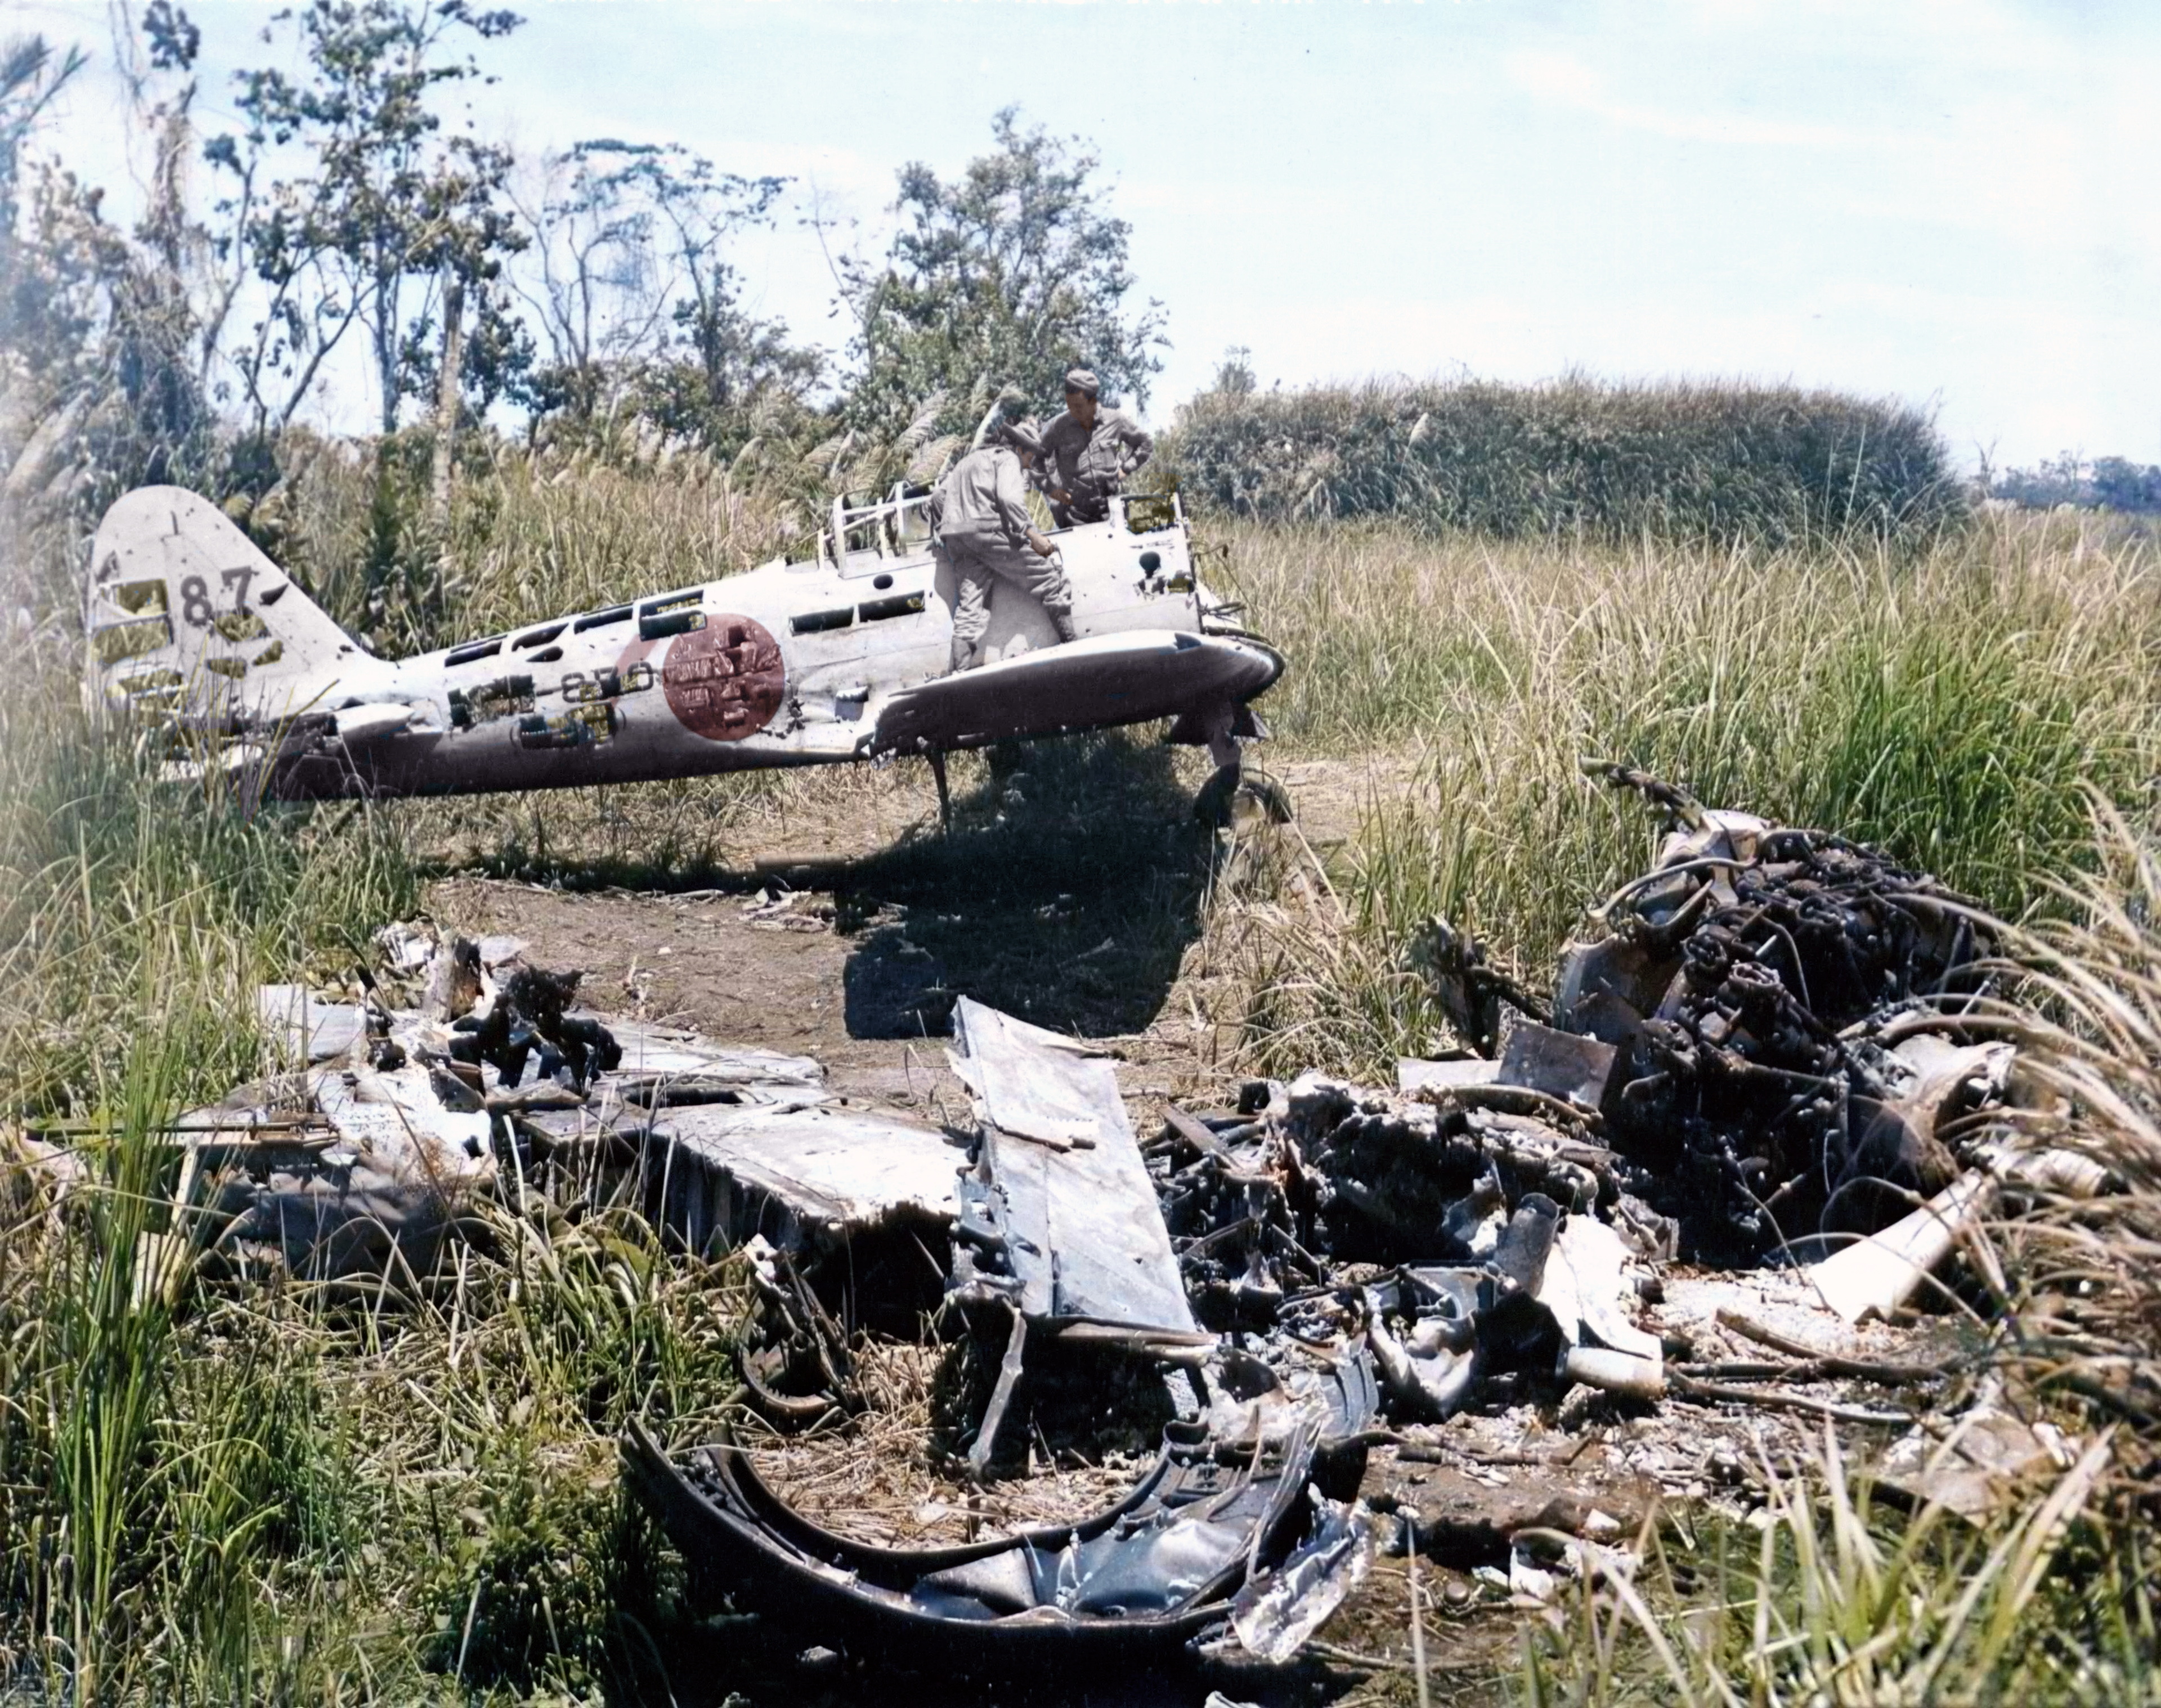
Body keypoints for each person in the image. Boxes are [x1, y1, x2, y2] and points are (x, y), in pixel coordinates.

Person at [934, 417, 1077, 673]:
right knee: (1050, 578)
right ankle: (1074, 648)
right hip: (988, 532)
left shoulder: (966, 463)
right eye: (1029, 457)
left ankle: (960, 674)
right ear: (1019, 448)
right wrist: (1033, 535)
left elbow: (937, 498)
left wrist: (944, 528)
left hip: (957, 539)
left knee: (970, 609)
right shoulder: (1007, 459)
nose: (1028, 464)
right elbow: (1009, 498)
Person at [1035, 367, 1155, 527]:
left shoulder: (1115, 421)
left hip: (1110, 512)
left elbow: (1145, 444)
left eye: (1078, 406)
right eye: (1069, 405)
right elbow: (1036, 460)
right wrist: (1051, 490)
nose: (1073, 411)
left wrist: (1125, 470)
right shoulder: (1059, 427)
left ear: (1092, 402)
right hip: (1074, 517)